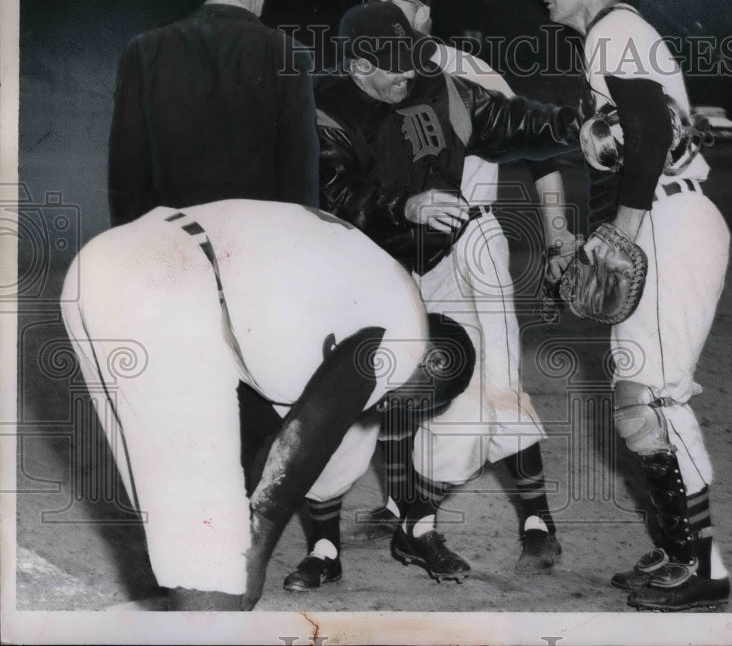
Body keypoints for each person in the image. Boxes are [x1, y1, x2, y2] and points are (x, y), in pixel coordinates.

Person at [280, 0, 574, 593]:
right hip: (359, 273)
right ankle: (330, 543)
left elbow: (519, 126)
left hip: (451, 249)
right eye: (394, 64)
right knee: (348, 404)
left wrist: (579, 127)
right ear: (359, 62)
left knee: (475, 391)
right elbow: (336, 196)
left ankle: (427, 522)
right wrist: (405, 207)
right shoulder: (323, 107)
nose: (409, 72)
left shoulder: (446, 78)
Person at [59, 198, 475, 610]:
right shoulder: (405, 337)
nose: (386, 408)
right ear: (436, 362)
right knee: (217, 571)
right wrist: (255, 548)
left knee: (179, 523)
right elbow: (311, 430)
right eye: (414, 403)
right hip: (169, 281)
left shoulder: (362, 296)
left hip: (108, 265)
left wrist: (239, 517)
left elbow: (265, 436)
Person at [537, 0, 732, 611]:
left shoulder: (614, 29)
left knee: (654, 398)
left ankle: (705, 565)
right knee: (634, 397)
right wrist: (584, 237)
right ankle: (679, 546)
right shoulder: (613, 35)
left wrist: (621, 231)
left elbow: (647, 129)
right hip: (664, 218)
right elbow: (630, 142)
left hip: (669, 221)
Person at [107, 0, 318, 226]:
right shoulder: (288, 53)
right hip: (257, 241)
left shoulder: (143, 50)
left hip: (171, 241)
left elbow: (126, 172)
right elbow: (299, 176)